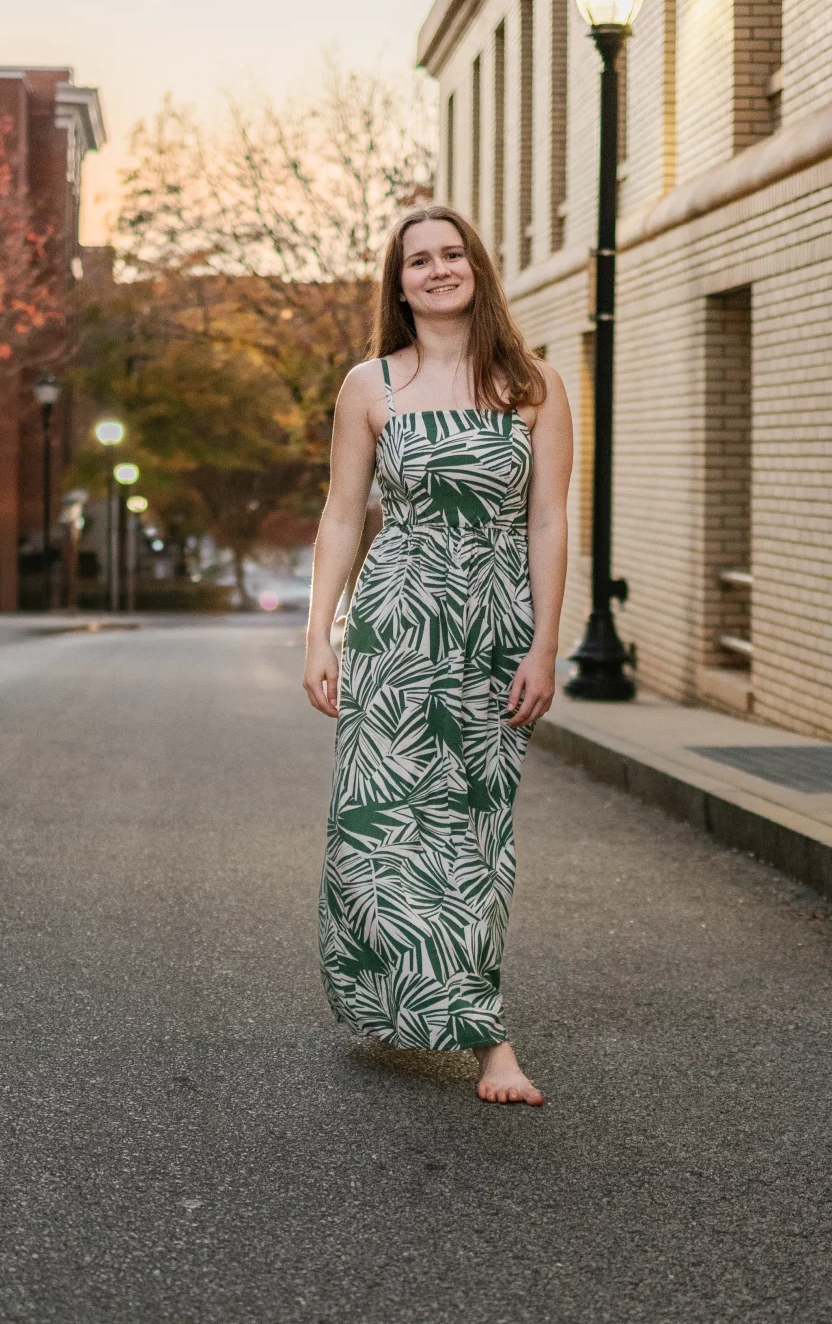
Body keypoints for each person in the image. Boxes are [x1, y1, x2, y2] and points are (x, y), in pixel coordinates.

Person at [303, 205, 572, 1106]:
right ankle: (421, 999)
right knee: (375, 826)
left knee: (471, 834)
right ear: (400, 281)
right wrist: (319, 633)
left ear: (478, 268)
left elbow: (548, 519)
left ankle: (488, 1038)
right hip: (395, 624)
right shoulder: (369, 385)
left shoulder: (531, 384)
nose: (438, 269)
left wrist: (545, 642)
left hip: (494, 629)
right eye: (419, 259)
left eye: (452, 254)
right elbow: (343, 515)